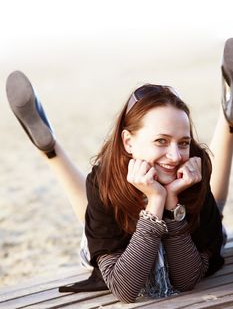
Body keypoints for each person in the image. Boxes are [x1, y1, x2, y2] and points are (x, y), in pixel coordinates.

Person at [6, 38, 233, 303]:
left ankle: (51, 150)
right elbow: (125, 288)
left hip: (185, 227)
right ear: (128, 142)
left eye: (183, 142)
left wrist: (171, 204)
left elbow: (186, 279)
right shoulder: (105, 181)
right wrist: (156, 202)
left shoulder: (193, 166)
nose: (175, 156)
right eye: (160, 141)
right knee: (102, 198)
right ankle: (227, 119)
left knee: (208, 213)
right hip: (117, 219)